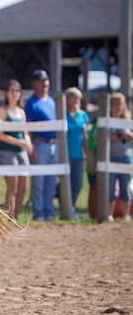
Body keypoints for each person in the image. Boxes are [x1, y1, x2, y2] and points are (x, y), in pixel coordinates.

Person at [0, 80, 32, 219]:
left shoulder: (21, 112)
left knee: (23, 186)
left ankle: (16, 216)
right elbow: (0, 134)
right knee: (13, 185)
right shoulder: (2, 110)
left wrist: (27, 142)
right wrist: (19, 142)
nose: (15, 93)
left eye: (18, 91)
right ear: (7, 92)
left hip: (21, 151)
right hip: (7, 150)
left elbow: (25, 132)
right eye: (13, 90)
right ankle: (10, 216)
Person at [24, 69, 57, 222]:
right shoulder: (31, 103)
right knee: (39, 181)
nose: (45, 83)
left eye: (46, 80)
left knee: (51, 180)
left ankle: (49, 210)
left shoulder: (51, 101)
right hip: (40, 144)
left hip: (54, 145)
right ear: (34, 83)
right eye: (41, 80)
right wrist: (31, 148)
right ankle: (39, 212)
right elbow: (28, 126)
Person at [106, 92, 133, 222]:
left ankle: (126, 215)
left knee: (125, 186)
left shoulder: (127, 121)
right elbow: (102, 139)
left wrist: (125, 135)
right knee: (109, 187)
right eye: (115, 104)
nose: (117, 107)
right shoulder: (106, 121)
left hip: (125, 157)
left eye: (120, 104)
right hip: (110, 157)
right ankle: (109, 215)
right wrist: (115, 136)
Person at [65, 87, 89, 220]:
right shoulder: (62, 114)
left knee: (78, 184)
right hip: (66, 155)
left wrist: (89, 156)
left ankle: (71, 207)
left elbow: (85, 137)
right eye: (72, 97)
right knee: (66, 184)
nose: (75, 100)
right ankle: (68, 209)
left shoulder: (83, 115)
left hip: (79, 155)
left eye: (77, 98)